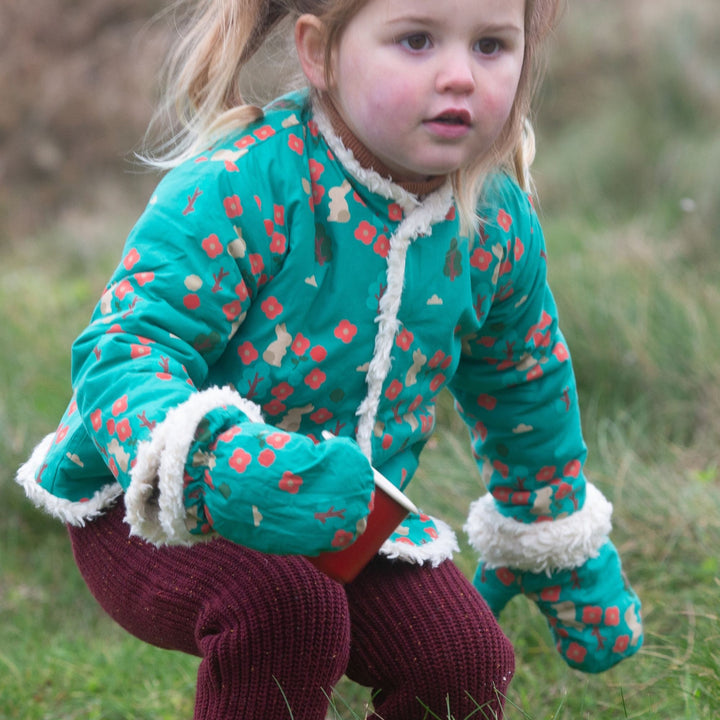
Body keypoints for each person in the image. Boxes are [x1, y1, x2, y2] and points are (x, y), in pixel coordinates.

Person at [16, 0, 644, 717]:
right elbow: (126, 348)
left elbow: (522, 379)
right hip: (156, 497)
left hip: (347, 514)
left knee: (461, 661)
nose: (460, 76)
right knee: (287, 612)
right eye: (416, 40)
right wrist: (217, 464)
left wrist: (552, 531)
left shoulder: (494, 219)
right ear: (320, 54)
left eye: (492, 46)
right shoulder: (244, 182)